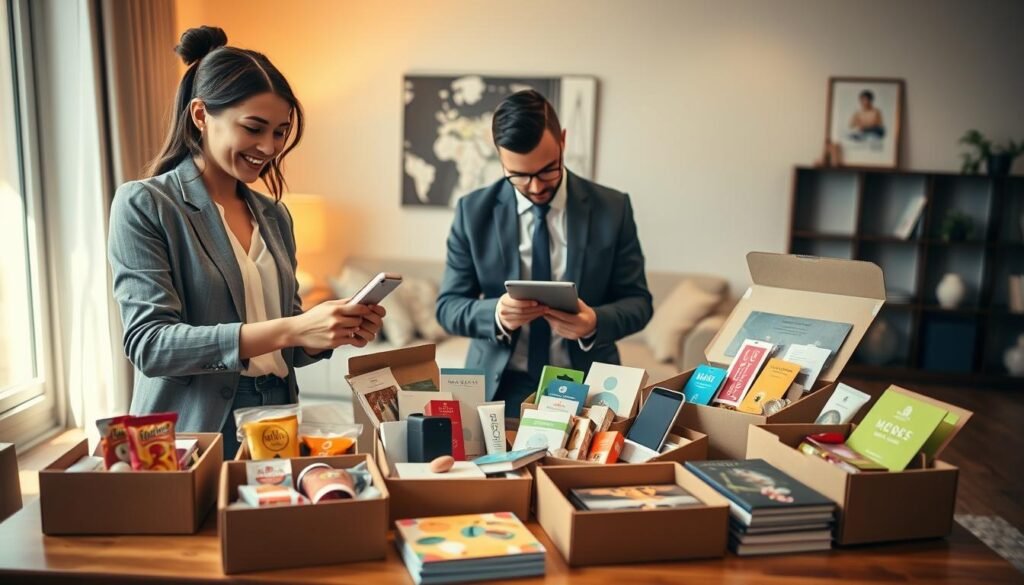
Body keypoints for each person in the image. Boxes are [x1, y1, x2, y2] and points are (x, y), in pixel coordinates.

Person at [107, 26, 385, 457]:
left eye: (279, 132)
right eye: (254, 128)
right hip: (193, 424)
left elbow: (283, 340)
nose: (268, 147)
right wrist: (294, 327)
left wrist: (322, 334)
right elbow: (151, 345)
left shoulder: (274, 215)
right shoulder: (146, 204)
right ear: (201, 115)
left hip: (276, 414)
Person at [435, 89, 653, 419]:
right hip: (500, 384)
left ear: (563, 141)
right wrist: (496, 314)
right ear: (500, 157)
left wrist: (593, 323)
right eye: (519, 176)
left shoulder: (613, 208)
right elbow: (447, 307)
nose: (536, 187)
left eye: (548, 170)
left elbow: (639, 303)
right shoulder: (472, 212)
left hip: (588, 384)